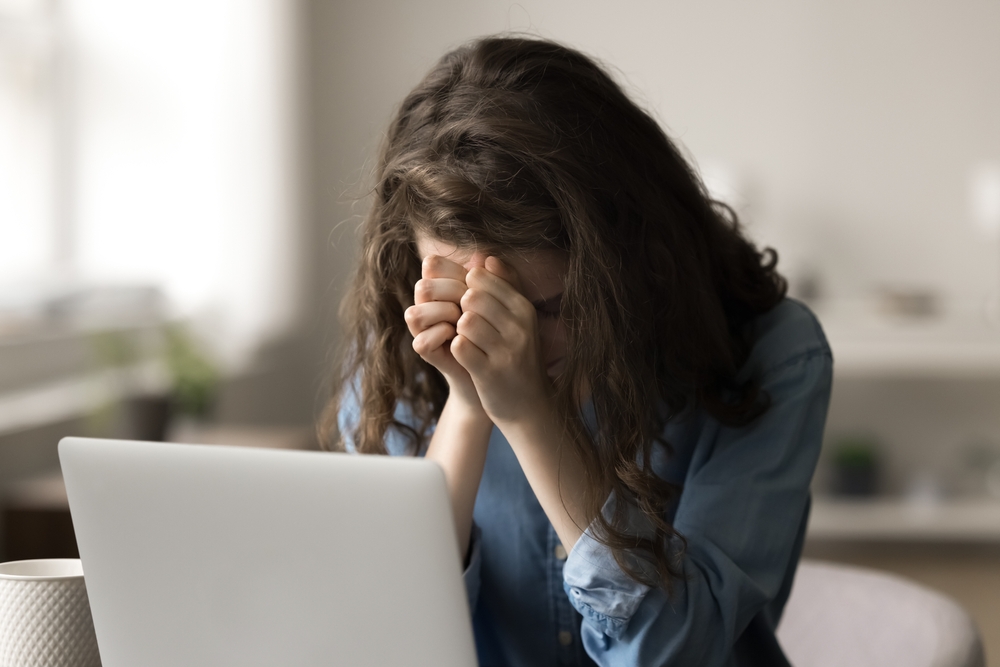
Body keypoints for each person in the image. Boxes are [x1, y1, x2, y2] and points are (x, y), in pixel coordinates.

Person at [324, 35, 833, 667]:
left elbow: (675, 654)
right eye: (467, 308)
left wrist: (531, 417)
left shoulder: (775, 354)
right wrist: (465, 407)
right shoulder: (406, 348)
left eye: (554, 309)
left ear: (635, 257)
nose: (507, 345)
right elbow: (381, 643)